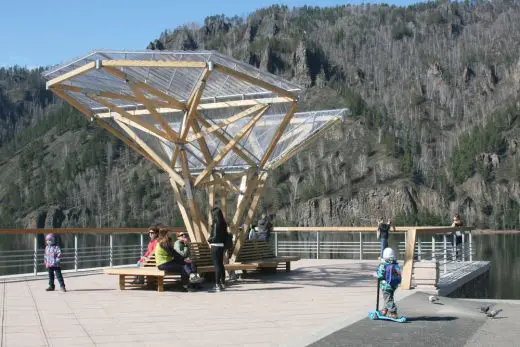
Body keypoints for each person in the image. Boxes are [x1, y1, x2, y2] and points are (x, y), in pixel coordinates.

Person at [376, 247, 402, 319]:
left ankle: (393, 312)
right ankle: (384, 310)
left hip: (385, 286)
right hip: (393, 285)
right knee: (388, 298)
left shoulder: (383, 264)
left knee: (388, 299)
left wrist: (376, 275)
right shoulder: (395, 263)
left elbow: (380, 275)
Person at [208, 207, 228, 292]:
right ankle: (223, 283)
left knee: (216, 266)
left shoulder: (216, 223)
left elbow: (215, 236)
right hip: (221, 246)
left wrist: (209, 239)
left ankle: (217, 284)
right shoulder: (224, 223)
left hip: (215, 246)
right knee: (221, 264)